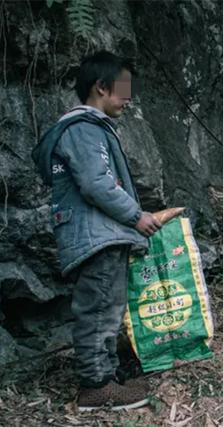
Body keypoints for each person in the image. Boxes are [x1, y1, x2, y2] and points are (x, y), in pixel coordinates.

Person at [31, 50, 162, 411]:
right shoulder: (84, 129)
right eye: (124, 88)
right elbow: (96, 184)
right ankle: (96, 388)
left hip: (100, 235)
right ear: (101, 87)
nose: (128, 97)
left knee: (106, 307)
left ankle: (107, 375)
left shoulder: (88, 129)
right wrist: (136, 216)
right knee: (99, 310)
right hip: (96, 236)